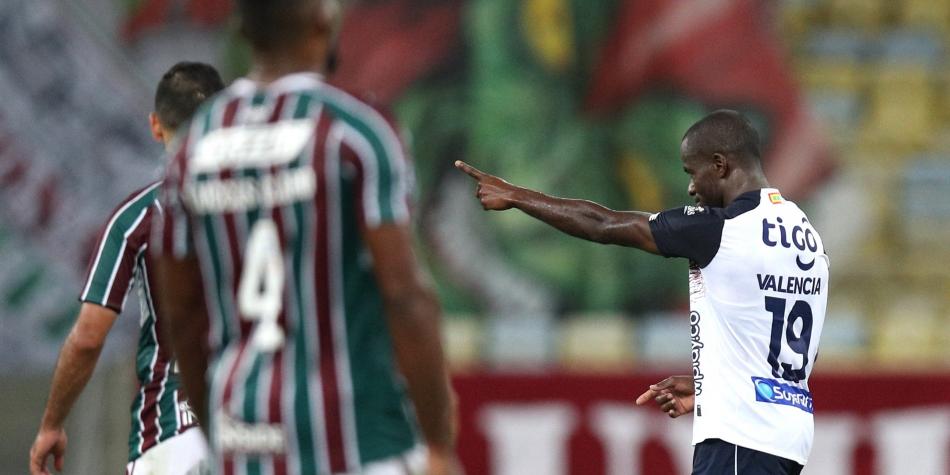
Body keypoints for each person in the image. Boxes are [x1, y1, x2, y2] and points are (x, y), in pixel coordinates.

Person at [151, 1, 458, 474]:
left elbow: (181, 311)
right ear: (325, 21)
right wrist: (438, 441)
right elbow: (405, 294)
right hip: (353, 441)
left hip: (243, 434)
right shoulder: (354, 132)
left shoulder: (193, 147)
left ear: (243, 32)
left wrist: (221, 433)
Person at [456, 109, 828, 475]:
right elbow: (766, 333)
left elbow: (604, 224)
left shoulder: (725, 229)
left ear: (719, 165)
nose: (691, 188)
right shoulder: (804, 232)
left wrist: (516, 196)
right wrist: (715, 389)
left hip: (741, 436)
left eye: (692, 172)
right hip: (787, 432)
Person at [29, 62, 225, 475]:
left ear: (156, 126)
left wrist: (52, 424)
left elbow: (87, 338)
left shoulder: (138, 218)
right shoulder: (270, 203)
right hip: (261, 425)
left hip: (173, 437)